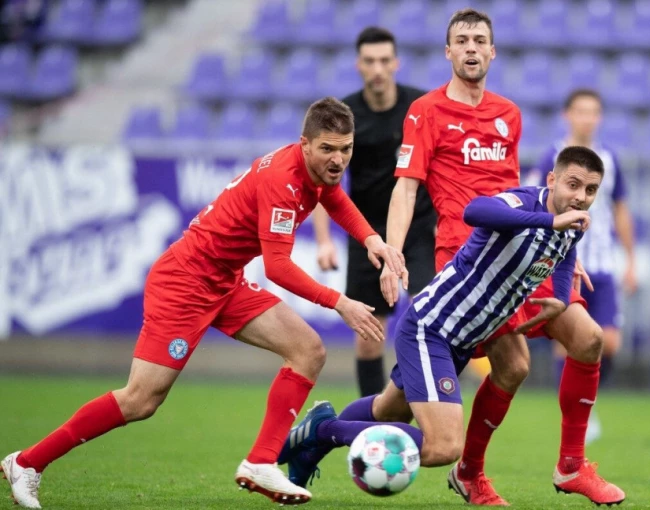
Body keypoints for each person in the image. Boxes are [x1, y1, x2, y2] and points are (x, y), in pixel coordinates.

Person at [0, 97, 407, 509]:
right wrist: (340, 302)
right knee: (141, 399)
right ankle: (28, 463)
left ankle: (260, 462)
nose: (338, 159)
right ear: (304, 143)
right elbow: (279, 268)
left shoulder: (314, 170)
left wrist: (372, 239)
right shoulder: (282, 180)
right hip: (185, 282)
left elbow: (331, 196)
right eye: (328, 149)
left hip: (225, 281)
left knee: (308, 350)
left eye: (345, 148)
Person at [374, 8, 623, 506]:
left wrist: (557, 251)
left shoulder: (508, 114)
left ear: (492, 51)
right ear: (448, 51)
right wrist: (391, 252)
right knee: (425, 395)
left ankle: (571, 467)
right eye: (462, 39)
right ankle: (339, 433)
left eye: (479, 40)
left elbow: (515, 193)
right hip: (468, 261)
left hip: (523, 251)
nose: (471, 47)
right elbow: (406, 188)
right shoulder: (425, 111)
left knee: (589, 339)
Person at [279, 148, 613, 496]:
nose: (580, 197)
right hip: (432, 330)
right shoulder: (525, 203)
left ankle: (312, 446)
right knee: (443, 447)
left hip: (460, 340)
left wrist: (561, 298)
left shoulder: (573, 223)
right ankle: (323, 430)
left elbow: (565, 252)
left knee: (386, 411)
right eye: (573, 185)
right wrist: (548, 222)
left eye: (590, 190)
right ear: (552, 180)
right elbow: (476, 210)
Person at [313, 27, 436, 398]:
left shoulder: (421, 108)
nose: (378, 69)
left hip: (419, 229)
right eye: (370, 61)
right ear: (359, 65)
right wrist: (323, 241)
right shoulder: (344, 117)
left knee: (430, 320)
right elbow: (322, 183)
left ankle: (433, 406)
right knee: (369, 337)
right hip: (367, 234)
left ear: (396, 63)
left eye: (384, 60)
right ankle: (371, 420)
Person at [527, 88, 637, 445]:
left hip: (603, 263)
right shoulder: (553, 156)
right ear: (568, 115)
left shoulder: (610, 159)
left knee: (611, 342)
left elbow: (620, 209)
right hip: (566, 260)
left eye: (593, 112)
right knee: (570, 340)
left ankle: (583, 404)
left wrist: (631, 259)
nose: (587, 118)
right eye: (581, 111)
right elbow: (535, 202)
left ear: (599, 117)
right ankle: (575, 418)